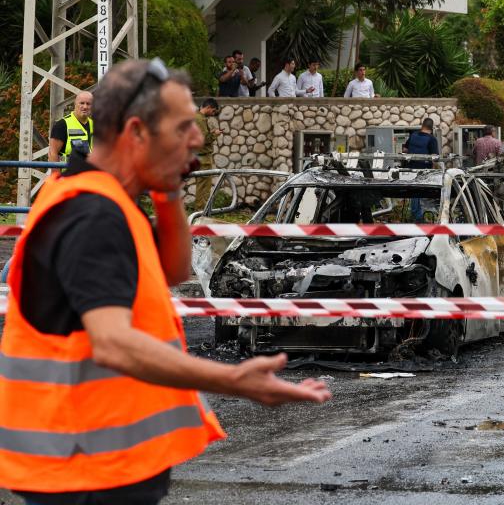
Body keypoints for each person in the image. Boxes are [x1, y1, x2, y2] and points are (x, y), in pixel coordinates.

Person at [0, 59, 331, 505]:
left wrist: (168, 189)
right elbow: (113, 343)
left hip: (94, 462)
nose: (197, 139)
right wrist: (234, 379)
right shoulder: (92, 215)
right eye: (183, 128)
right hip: (84, 470)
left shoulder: (108, 199)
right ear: (137, 133)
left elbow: (172, 270)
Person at [402, 118, 439, 222]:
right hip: (424, 170)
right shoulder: (432, 139)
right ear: (432, 128)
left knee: (414, 192)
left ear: (422, 126)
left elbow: (405, 149)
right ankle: (419, 217)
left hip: (411, 168)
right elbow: (434, 157)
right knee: (422, 193)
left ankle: (416, 214)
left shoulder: (413, 135)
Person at [48, 90, 93, 162]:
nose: (85, 107)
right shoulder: (62, 125)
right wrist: (55, 173)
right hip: (70, 172)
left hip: (91, 172)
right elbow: (53, 153)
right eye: (82, 103)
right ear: (75, 104)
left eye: (88, 104)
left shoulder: (96, 126)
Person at [194, 97, 221, 210]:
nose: (213, 113)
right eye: (213, 110)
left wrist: (211, 132)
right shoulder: (199, 119)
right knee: (204, 186)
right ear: (208, 107)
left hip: (199, 156)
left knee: (203, 185)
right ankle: (200, 211)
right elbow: (204, 139)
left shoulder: (197, 117)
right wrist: (215, 134)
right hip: (203, 157)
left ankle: (201, 209)